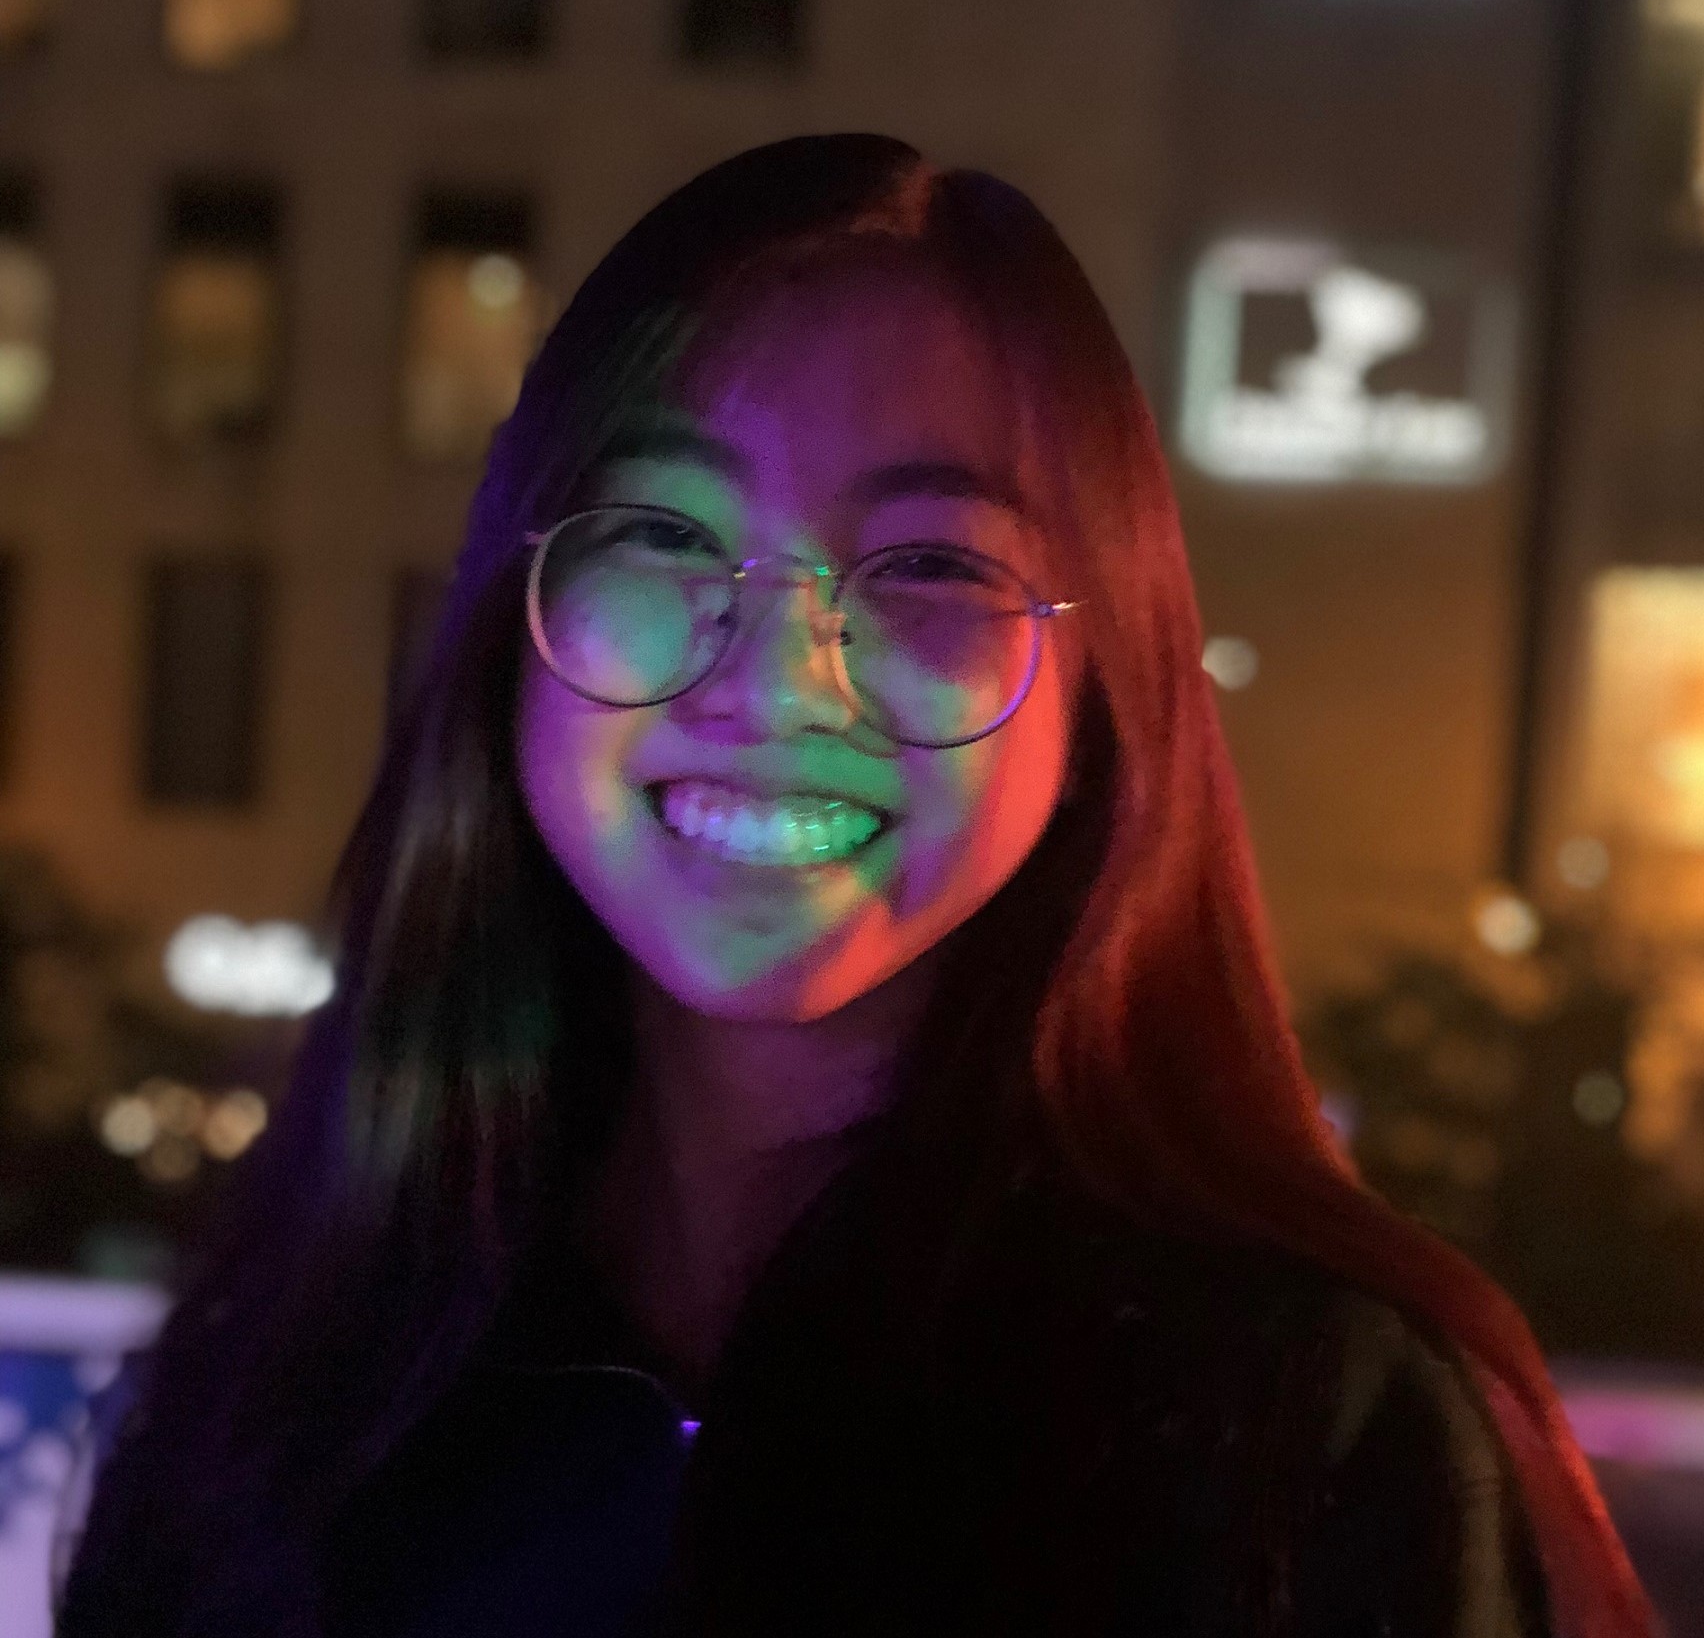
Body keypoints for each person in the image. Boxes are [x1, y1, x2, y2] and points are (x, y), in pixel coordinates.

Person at [56, 135, 1651, 1637]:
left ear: (1102, 698)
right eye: (663, 530)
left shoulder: (1304, 1423)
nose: (778, 679)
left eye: (931, 564)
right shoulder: (301, 1382)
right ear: (515, 613)